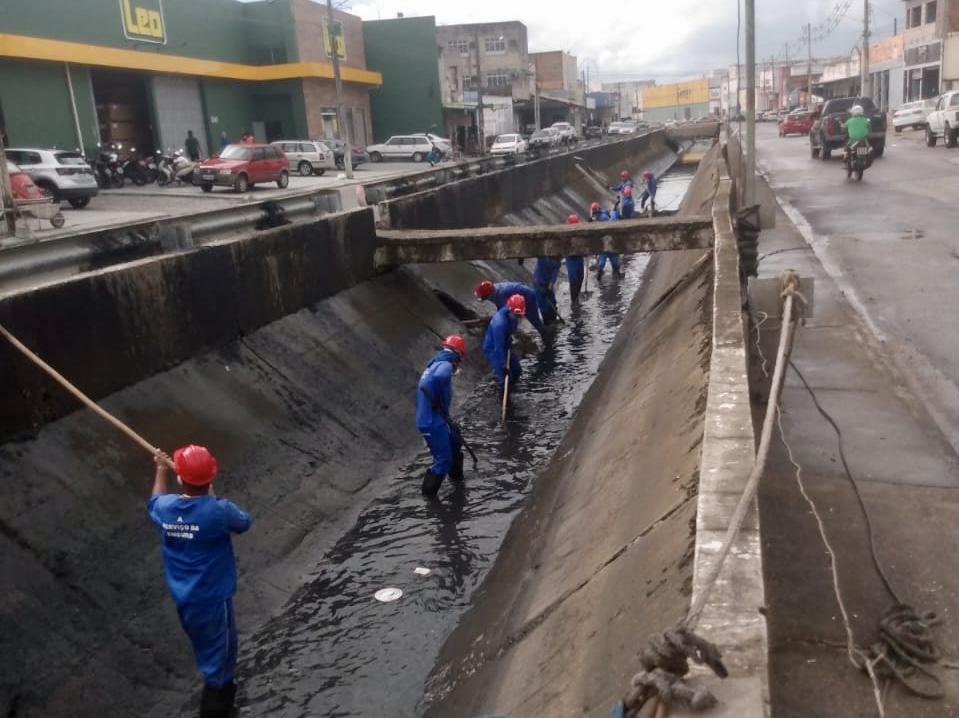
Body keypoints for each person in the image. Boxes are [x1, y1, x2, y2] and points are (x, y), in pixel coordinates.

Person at [148, 445, 252, 718]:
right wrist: (211, 496)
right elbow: (244, 522)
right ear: (211, 477)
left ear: (180, 478)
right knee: (221, 665)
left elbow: (155, 500)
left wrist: (160, 469)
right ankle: (217, 709)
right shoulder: (219, 511)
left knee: (208, 654)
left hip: (184, 597)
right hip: (213, 600)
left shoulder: (166, 509)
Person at [416, 335, 467, 496]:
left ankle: (457, 480)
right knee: (443, 460)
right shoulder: (445, 364)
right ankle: (429, 498)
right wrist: (434, 399)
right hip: (431, 421)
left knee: (455, 438)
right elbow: (438, 378)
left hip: (439, 417)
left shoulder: (436, 363)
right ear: (457, 355)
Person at [475, 280, 546, 337]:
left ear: (488, 295)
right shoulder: (494, 291)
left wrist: (493, 319)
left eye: (483, 297)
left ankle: (545, 336)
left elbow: (507, 312)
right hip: (520, 292)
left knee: (533, 319)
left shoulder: (501, 295)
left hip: (528, 297)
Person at [483, 294, 525, 388]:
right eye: (516, 315)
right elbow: (498, 348)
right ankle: (502, 392)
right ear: (510, 310)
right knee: (504, 378)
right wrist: (503, 365)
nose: (518, 317)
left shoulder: (512, 314)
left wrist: (509, 338)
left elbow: (511, 329)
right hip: (493, 349)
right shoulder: (499, 324)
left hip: (505, 343)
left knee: (517, 370)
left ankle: (514, 387)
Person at [591, 201, 621, 278]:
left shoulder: (603, 217)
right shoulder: (598, 217)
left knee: (613, 261)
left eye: (594, 210)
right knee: (602, 263)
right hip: (604, 244)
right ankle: (601, 274)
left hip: (608, 242)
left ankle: (615, 273)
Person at [532, 255, 562, 324]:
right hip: (538, 284)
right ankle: (547, 322)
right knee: (543, 305)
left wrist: (549, 288)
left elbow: (553, 276)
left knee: (553, 303)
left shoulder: (557, 263)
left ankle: (553, 319)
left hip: (547, 284)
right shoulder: (543, 257)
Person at [563, 214, 585, 303]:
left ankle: (577, 296)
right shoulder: (565, 234)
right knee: (573, 279)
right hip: (571, 260)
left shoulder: (579, 233)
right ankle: (574, 300)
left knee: (580, 277)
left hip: (579, 258)